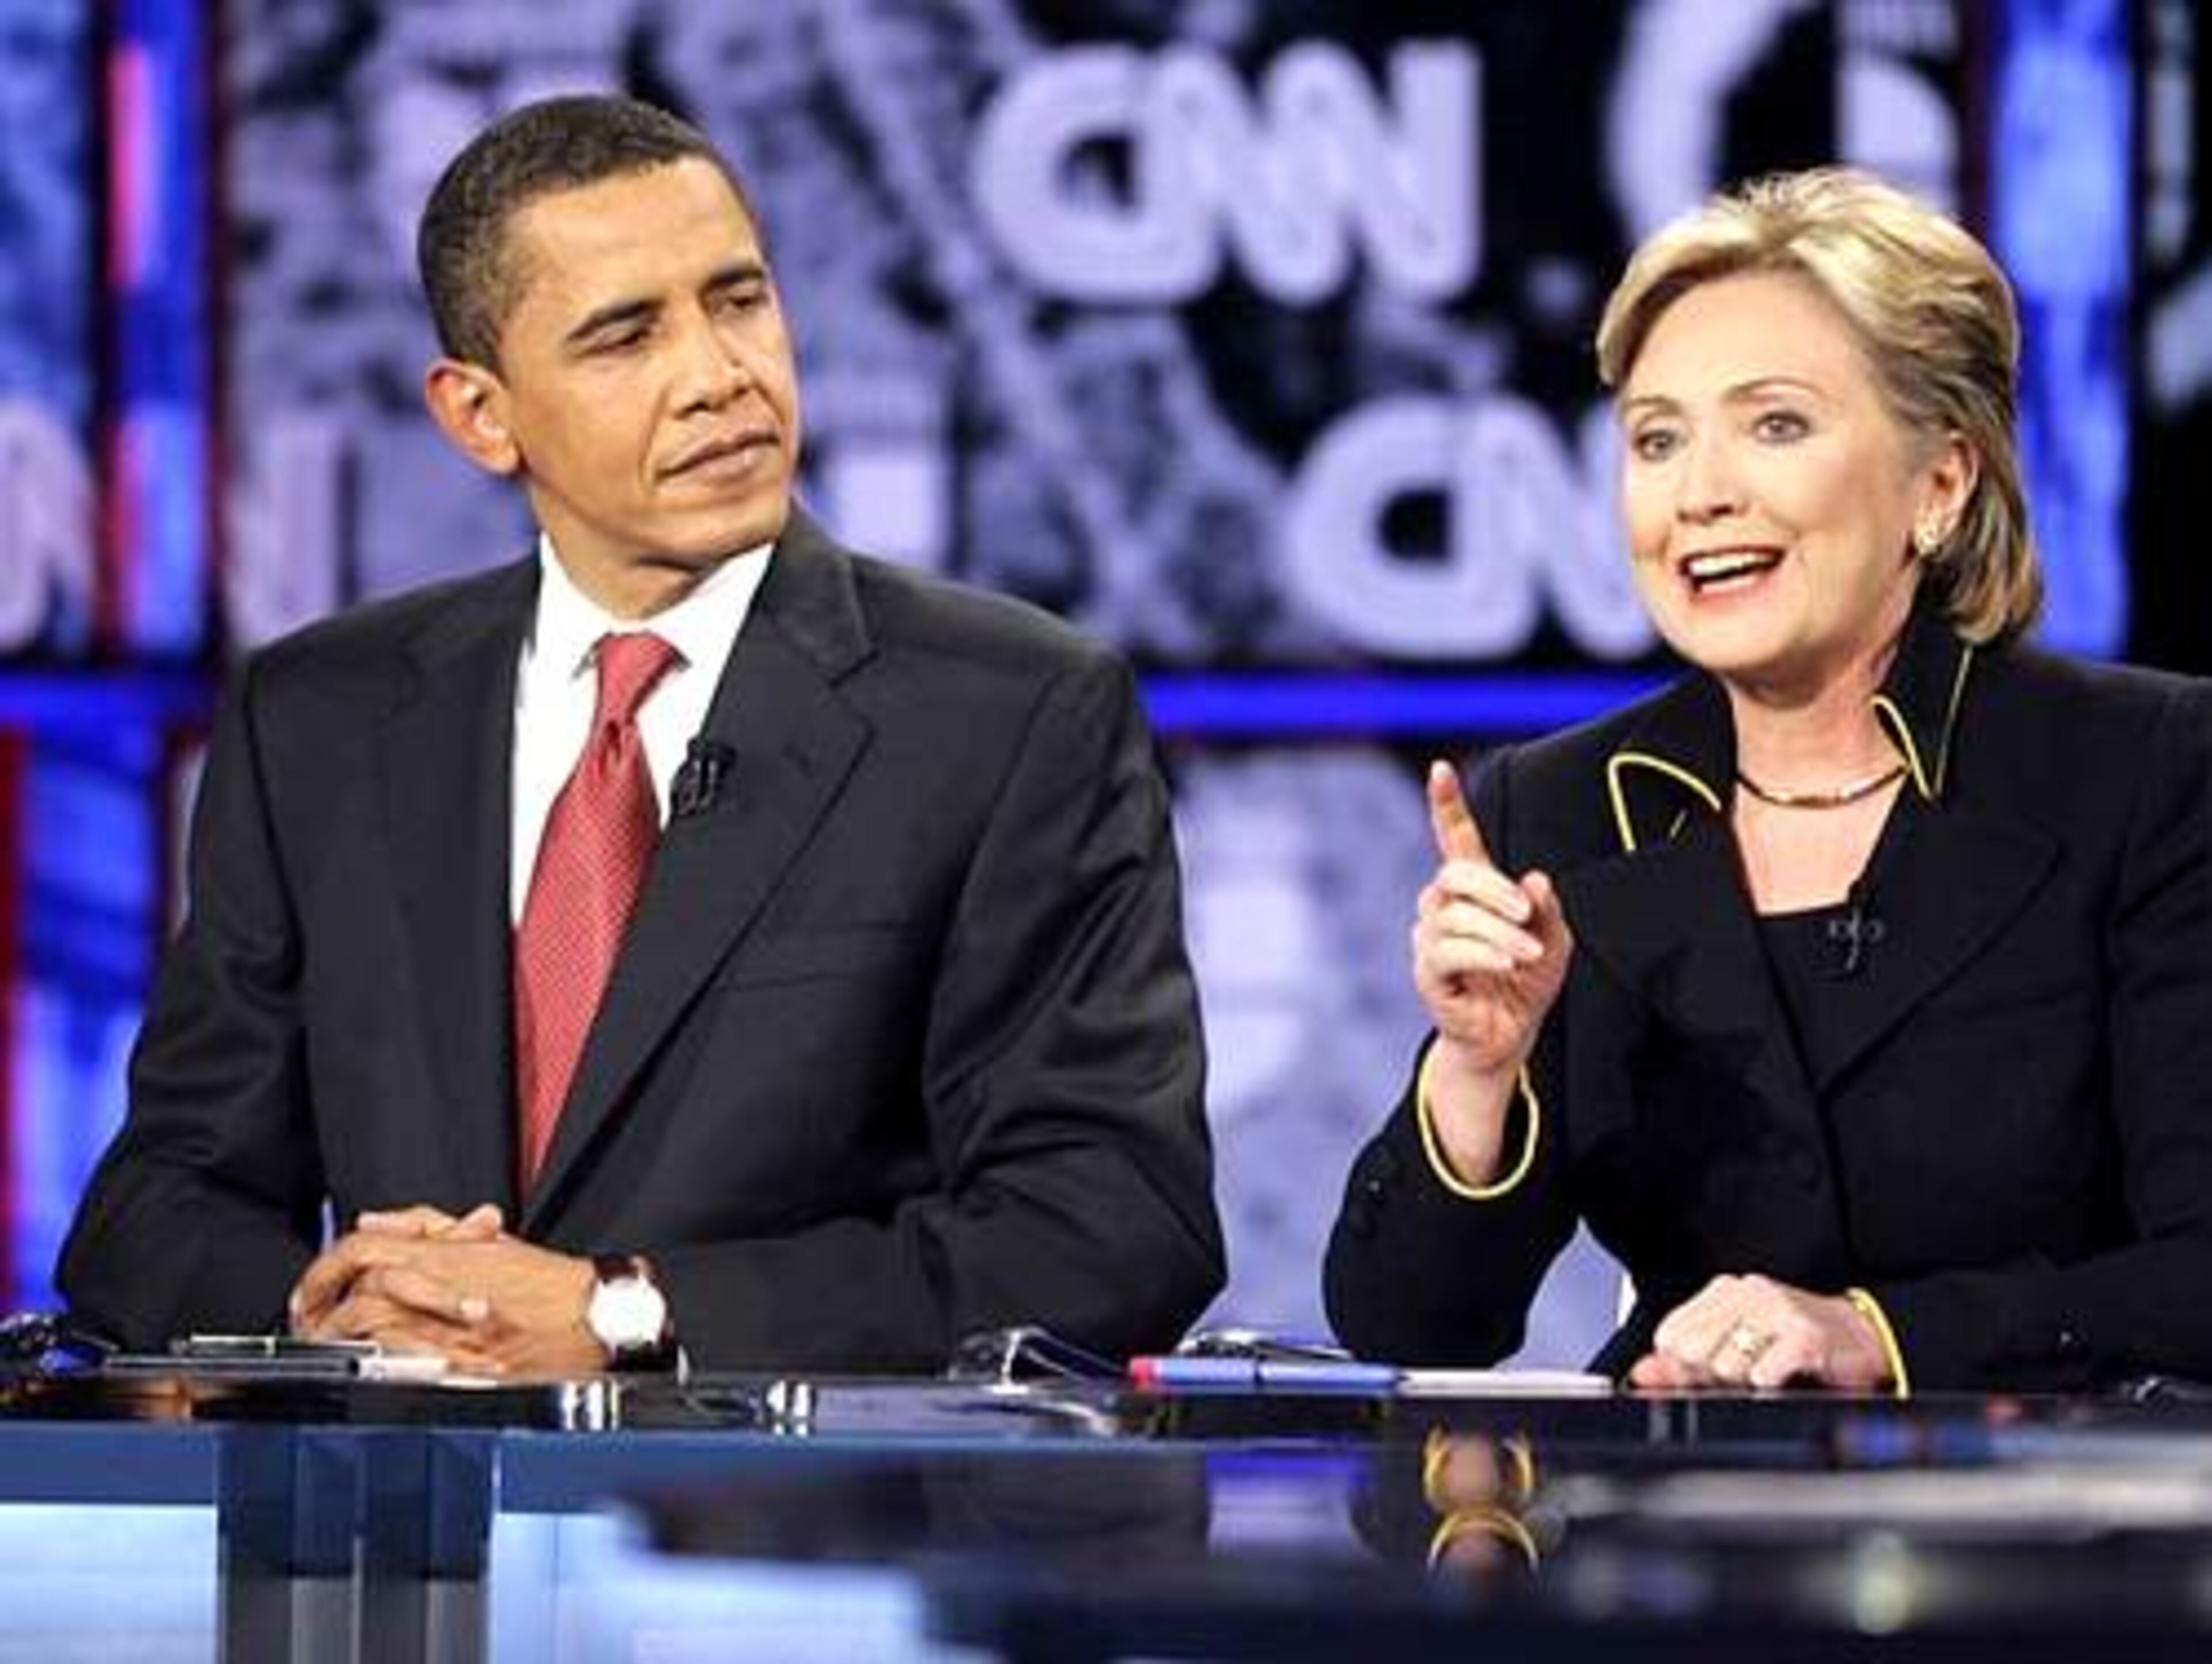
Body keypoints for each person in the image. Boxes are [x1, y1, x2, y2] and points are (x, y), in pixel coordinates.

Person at [58, 94, 1222, 1375]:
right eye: (625, 336)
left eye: (739, 300)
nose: (720, 376)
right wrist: (335, 1308)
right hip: (407, 1546)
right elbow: (155, 1205)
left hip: (814, 1549)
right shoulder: (322, 720)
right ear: (480, 415)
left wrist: (627, 1308)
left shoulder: (1010, 714)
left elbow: (1114, 1230)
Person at [1325, 167, 2212, 1395]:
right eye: (1658, 438)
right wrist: (1478, 1072)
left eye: (1777, 424)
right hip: (1676, 1537)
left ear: (1940, 484)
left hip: (2063, 1540)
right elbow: (1411, 1327)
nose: (1701, 494)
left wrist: (1884, 1338)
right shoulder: (1561, 810)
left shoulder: (2146, 772)